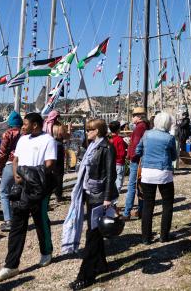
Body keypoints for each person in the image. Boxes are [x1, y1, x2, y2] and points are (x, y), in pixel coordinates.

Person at [0, 113, 57, 283]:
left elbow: (50, 164)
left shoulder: (48, 140)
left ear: (35, 125)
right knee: (17, 225)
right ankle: (11, 266)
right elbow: (15, 160)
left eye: (26, 123)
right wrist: (17, 175)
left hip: (37, 187)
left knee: (40, 221)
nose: (23, 126)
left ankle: (46, 251)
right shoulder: (22, 139)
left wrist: (30, 175)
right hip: (21, 187)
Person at [63, 119, 117, 290]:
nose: (87, 132)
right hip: (89, 193)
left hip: (99, 195)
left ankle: (85, 276)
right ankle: (101, 265)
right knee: (95, 232)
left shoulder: (107, 148)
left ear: (98, 130)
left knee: (92, 235)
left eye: (90, 129)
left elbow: (111, 174)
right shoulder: (92, 147)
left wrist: (107, 198)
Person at [136, 112, 178, 243]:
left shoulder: (147, 134)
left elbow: (138, 150)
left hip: (147, 172)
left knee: (148, 205)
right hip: (163, 172)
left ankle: (145, 238)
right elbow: (174, 157)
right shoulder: (169, 138)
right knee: (167, 204)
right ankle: (164, 235)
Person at [0, 111, 23, 232]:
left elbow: (2, 153)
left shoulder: (8, 134)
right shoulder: (25, 134)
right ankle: (19, 218)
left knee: (4, 192)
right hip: (24, 165)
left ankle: (8, 221)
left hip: (10, 164)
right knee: (19, 191)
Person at [122, 107, 149, 220]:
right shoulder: (146, 126)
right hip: (143, 159)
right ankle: (141, 211)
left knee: (132, 186)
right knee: (140, 186)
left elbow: (136, 145)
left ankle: (127, 212)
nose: (132, 117)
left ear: (138, 117)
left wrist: (130, 156)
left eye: (133, 115)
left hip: (136, 160)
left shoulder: (139, 128)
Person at [109, 121, 127, 196]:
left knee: (111, 182)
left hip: (111, 163)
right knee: (118, 182)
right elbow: (122, 153)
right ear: (118, 129)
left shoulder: (109, 139)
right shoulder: (119, 139)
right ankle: (114, 202)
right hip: (119, 163)